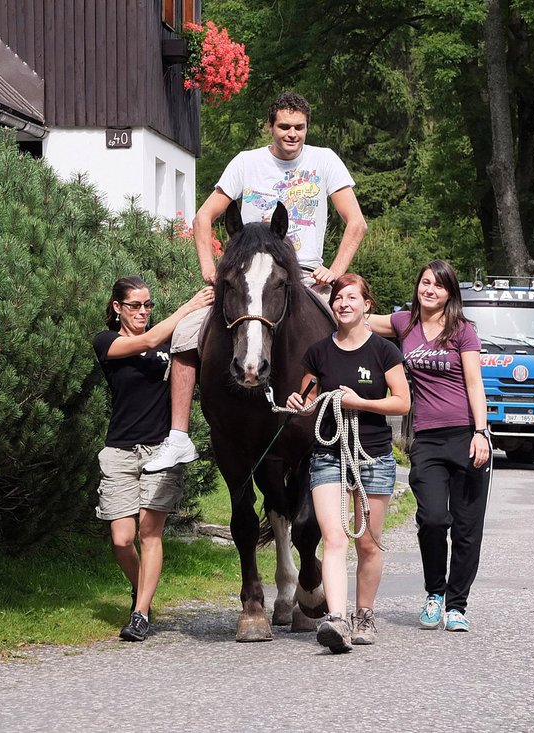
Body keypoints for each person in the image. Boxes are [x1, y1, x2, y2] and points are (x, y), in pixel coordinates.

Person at [140, 91, 368, 473]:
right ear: (270, 126)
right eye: (284, 127)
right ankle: (178, 437)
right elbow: (203, 218)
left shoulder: (325, 160)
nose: (292, 134)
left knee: (349, 341)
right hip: (246, 276)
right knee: (183, 334)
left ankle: (350, 442)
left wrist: (335, 269)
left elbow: (356, 222)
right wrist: (209, 268)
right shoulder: (246, 163)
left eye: (299, 127)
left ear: (307, 127)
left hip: (306, 276)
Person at [285, 274, 409, 653]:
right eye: (338, 298)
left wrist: (362, 403)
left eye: (351, 297)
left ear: (366, 305)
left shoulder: (384, 352)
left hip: (373, 457)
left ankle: (364, 614)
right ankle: (336, 620)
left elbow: (402, 402)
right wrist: (299, 404)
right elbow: (309, 398)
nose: (343, 303)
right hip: (328, 456)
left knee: (368, 544)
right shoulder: (318, 353)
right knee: (334, 539)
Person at [367, 259, 491, 632]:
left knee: (468, 528)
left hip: (467, 436)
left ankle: (457, 605)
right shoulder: (404, 323)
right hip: (427, 440)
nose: (430, 290)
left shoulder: (462, 330)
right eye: (425, 283)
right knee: (434, 519)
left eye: (438, 285)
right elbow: (355, 313)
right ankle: (435, 593)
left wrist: (481, 433)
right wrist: (323, 285)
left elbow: (474, 383)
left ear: (450, 293)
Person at [93, 276, 214, 641]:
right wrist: (190, 306)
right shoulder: (108, 342)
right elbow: (145, 341)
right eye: (135, 305)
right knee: (120, 539)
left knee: (149, 532)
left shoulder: (171, 345)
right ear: (117, 308)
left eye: (148, 305)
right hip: (119, 450)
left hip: (161, 450)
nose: (143, 312)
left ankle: (141, 613)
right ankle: (142, 588)